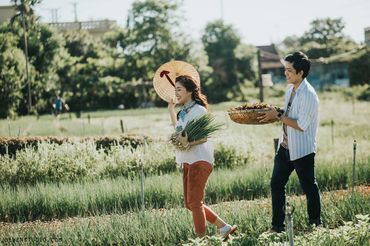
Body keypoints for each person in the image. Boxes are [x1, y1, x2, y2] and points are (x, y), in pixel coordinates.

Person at [258, 51, 321, 232]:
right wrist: (275, 111)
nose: (286, 73)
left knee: (309, 186)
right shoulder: (290, 90)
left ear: (301, 72)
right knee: (276, 184)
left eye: (289, 70)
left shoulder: (309, 95)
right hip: (285, 147)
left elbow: (301, 125)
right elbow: (287, 113)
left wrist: (277, 115)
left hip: (302, 149)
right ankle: (278, 227)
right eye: (285, 69)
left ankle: (315, 224)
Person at [167, 75, 237, 239]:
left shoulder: (199, 110)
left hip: (199, 159)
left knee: (195, 203)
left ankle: (200, 240)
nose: (176, 93)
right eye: (175, 89)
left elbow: (204, 138)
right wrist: (171, 109)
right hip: (188, 160)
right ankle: (224, 227)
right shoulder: (183, 111)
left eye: (179, 89)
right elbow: (178, 131)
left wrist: (188, 143)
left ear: (190, 90)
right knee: (190, 204)